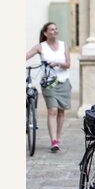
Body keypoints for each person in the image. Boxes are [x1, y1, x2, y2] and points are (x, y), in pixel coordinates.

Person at [25, 22, 72, 152]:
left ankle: (57, 137)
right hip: (49, 83)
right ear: (45, 33)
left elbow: (68, 64)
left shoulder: (64, 45)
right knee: (53, 110)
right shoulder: (41, 47)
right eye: (51, 29)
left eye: (56, 29)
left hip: (63, 82)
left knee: (61, 111)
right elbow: (27, 55)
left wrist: (57, 63)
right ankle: (54, 141)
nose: (55, 31)